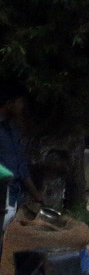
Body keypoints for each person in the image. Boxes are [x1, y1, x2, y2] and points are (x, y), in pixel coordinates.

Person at [0, 81, 42, 212]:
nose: (22, 106)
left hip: (14, 197)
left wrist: (36, 195)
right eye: (20, 102)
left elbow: (21, 166)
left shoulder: (13, 129)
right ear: (9, 102)